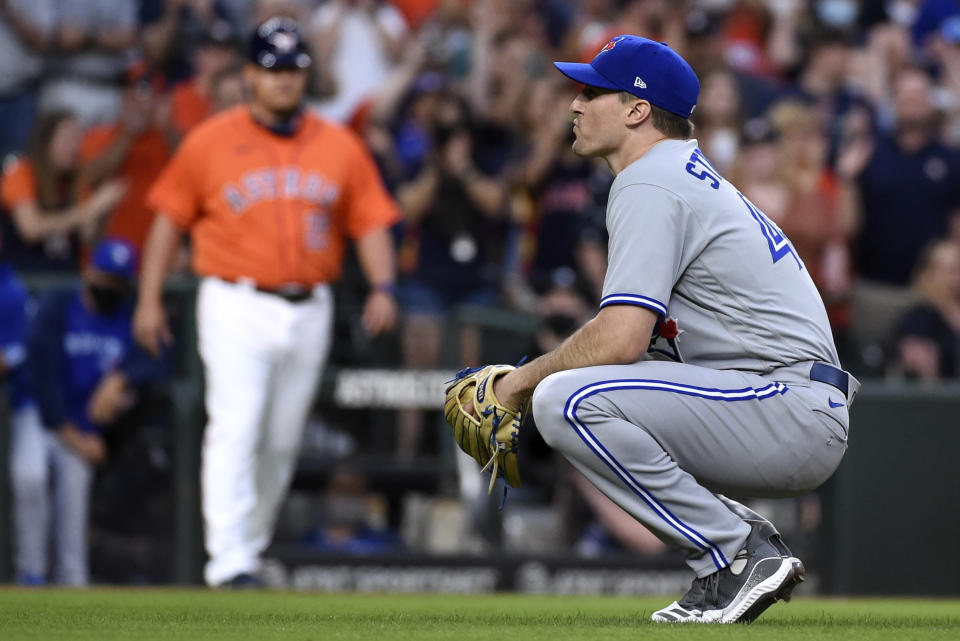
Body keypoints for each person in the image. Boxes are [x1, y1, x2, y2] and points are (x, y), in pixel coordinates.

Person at [479, 35, 858, 624]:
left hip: (787, 407)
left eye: (592, 91)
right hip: (783, 403)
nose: (575, 105)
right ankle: (732, 548)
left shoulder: (650, 180)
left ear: (636, 110)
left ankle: (736, 551)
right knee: (587, 389)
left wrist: (515, 386)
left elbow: (622, 337)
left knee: (562, 399)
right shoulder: (677, 173)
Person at [134, 17, 400, 587]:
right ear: (250, 74)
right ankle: (227, 559)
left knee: (281, 440)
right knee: (238, 423)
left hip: (311, 305)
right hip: (235, 300)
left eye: (294, 70)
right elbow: (166, 223)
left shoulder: (337, 144)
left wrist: (383, 285)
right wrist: (149, 298)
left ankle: (247, 551)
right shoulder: (210, 140)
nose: (284, 81)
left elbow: (371, 220)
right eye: (273, 69)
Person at [19, 238, 166, 586]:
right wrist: (71, 433)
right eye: (104, 278)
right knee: (29, 477)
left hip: (87, 429)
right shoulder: (58, 305)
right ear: (88, 271)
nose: (109, 288)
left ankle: (73, 579)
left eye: (118, 282)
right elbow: (43, 373)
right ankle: (31, 573)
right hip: (41, 417)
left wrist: (122, 377)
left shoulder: (128, 314)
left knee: (74, 492)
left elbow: (159, 358)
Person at [0, 110, 126, 272]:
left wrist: (100, 208)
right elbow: (31, 228)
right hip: (25, 281)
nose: (75, 146)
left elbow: (88, 237)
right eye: (68, 139)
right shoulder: (21, 172)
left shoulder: (76, 179)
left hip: (66, 278)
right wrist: (89, 210)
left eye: (78, 139)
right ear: (46, 142)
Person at [893, 239, 960, 379]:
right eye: (948, 270)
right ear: (926, 275)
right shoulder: (917, 319)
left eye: (957, 270)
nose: (954, 278)